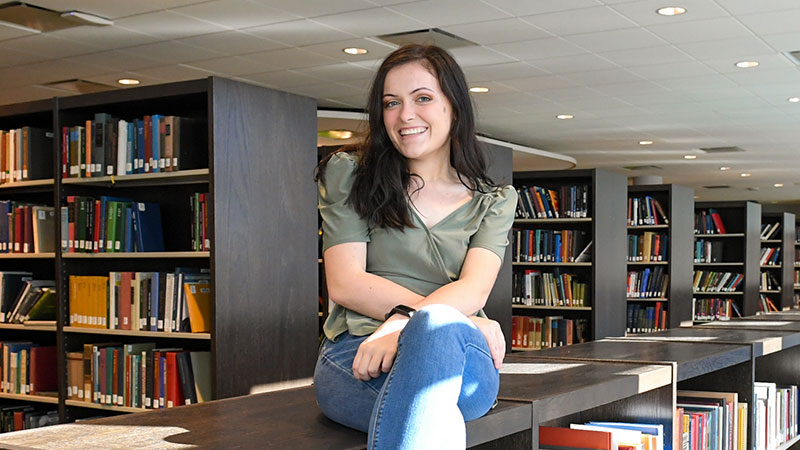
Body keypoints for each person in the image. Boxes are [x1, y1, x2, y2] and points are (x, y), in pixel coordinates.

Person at [313, 43, 517, 450]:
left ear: (454, 107)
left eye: (422, 98)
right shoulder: (349, 174)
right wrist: (433, 319)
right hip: (360, 352)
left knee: (438, 331)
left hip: (461, 359)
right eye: (391, 103)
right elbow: (345, 283)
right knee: (431, 413)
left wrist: (407, 320)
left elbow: (474, 290)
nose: (405, 115)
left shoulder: (493, 200)